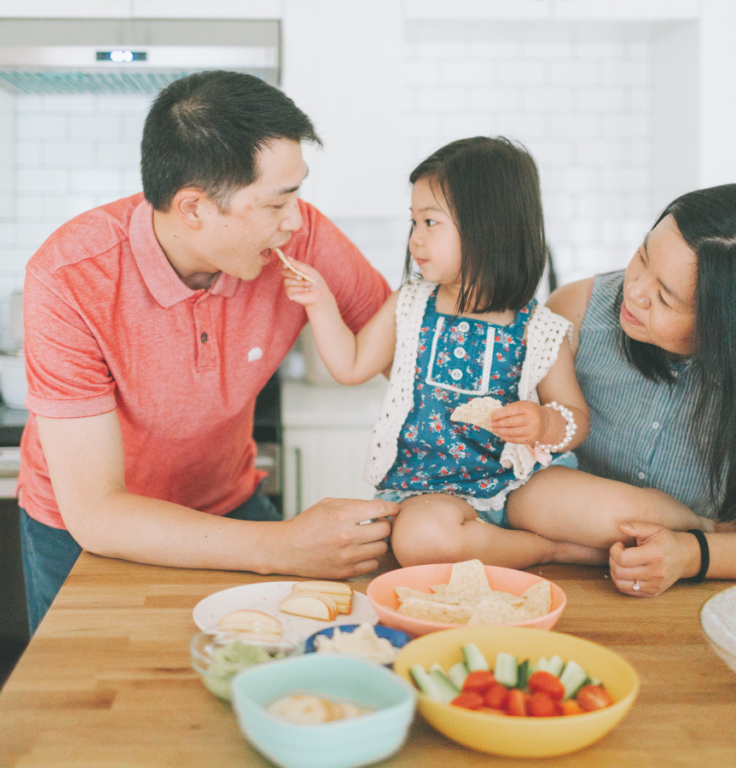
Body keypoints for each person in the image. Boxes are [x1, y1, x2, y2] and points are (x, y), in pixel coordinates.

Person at [17, 71, 397, 634]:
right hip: (85, 534)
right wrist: (286, 546)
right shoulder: (69, 277)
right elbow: (96, 510)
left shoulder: (302, 237)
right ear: (193, 208)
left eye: (298, 194)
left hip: (228, 504)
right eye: (276, 203)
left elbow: (411, 351)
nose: (295, 221)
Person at [281, 137, 711, 570]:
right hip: (433, 490)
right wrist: (320, 304)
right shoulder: (409, 305)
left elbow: (575, 418)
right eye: (414, 222)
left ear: (489, 227)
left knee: (620, 513)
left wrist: (544, 422)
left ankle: (711, 528)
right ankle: (550, 549)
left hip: (521, 480)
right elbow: (351, 365)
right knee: (420, 540)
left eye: (431, 223)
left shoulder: (538, 327)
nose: (415, 239)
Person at [509, 183, 736, 597]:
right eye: (642, 256)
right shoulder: (575, 313)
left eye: (665, 298)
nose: (634, 291)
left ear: (734, 328)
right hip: (573, 584)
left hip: (720, 599)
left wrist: (692, 554)